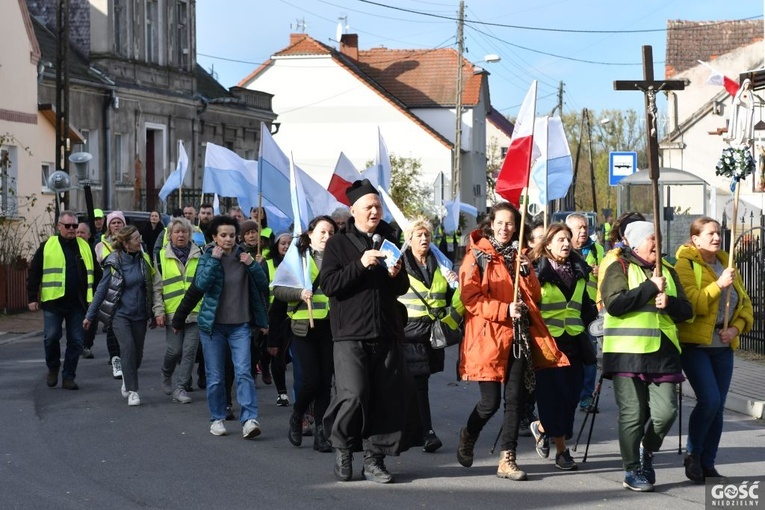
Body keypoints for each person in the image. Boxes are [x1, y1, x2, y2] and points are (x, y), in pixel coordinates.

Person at [456, 202, 566, 482]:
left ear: (516, 227)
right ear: (491, 224)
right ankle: (469, 435)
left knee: (515, 400)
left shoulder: (520, 256)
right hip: (487, 338)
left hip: (518, 336)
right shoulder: (477, 256)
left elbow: (535, 296)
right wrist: (504, 309)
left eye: (510, 224)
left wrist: (527, 272)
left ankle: (508, 458)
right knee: (489, 403)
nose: (505, 228)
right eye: (500, 223)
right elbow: (470, 300)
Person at [320, 179, 420, 484]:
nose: (375, 211)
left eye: (378, 206)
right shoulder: (338, 244)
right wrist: (361, 264)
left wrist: (396, 274)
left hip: (387, 330)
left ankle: (375, 459)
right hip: (350, 332)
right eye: (369, 207)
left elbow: (400, 288)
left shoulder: (389, 239)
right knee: (354, 394)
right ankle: (343, 447)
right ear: (354, 211)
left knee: (386, 397)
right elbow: (329, 285)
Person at [600, 221, 693, 492]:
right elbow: (615, 304)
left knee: (666, 413)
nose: (657, 243)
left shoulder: (669, 271)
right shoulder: (619, 267)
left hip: (662, 354)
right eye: (652, 238)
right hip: (627, 353)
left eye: (659, 238)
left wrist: (671, 303)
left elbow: (687, 311)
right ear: (637, 242)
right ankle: (631, 470)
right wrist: (650, 289)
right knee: (633, 414)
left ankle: (646, 449)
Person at [173, 215, 269, 439]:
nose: (228, 239)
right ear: (214, 237)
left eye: (232, 235)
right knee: (215, 376)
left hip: (240, 326)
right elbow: (201, 285)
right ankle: (217, 418)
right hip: (213, 328)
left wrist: (252, 265)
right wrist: (215, 261)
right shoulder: (208, 257)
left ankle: (249, 419)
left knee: (244, 372)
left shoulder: (245, 257)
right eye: (223, 235)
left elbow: (264, 285)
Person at [674, 217, 753, 482]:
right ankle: (693, 454)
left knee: (717, 406)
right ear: (695, 239)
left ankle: (708, 462)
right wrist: (718, 285)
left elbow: (745, 305)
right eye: (710, 234)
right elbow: (692, 303)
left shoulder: (726, 263)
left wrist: (735, 329)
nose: (717, 238)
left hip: (723, 344)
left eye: (718, 233)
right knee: (709, 400)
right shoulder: (684, 264)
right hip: (696, 344)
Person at [530, 223, 598, 471]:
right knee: (554, 398)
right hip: (547, 344)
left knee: (571, 398)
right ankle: (562, 451)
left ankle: (542, 427)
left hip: (575, 343)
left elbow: (584, 304)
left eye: (567, 239)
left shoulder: (580, 270)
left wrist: (597, 317)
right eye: (560, 239)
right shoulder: (536, 272)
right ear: (547, 244)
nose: (566, 243)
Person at [398, 218, 463, 453]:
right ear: (409, 239)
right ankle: (426, 432)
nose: (424, 239)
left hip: (432, 335)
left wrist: (455, 285)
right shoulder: (399, 264)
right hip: (407, 334)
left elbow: (447, 300)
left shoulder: (441, 264)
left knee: (416, 384)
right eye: (419, 235)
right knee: (419, 384)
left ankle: (410, 430)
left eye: (427, 235)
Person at [274, 215, 337, 453]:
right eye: (322, 232)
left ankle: (321, 432)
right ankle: (297, 415)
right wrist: (299, 294)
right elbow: (278, 290)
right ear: (310, 234)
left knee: (324, 383)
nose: (326, 237)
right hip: (303, 327)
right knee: (310, 379)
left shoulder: (336, 258)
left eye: (331, 233)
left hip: (330, 327)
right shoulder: (297, 258)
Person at [84, 225, 155, 406]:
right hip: (120, 314)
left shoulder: (143, 259)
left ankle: (127, 377)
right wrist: (90, 315)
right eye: (136, 239)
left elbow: (151, 288)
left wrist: (154, 312)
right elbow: (102, 289)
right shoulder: (113, 261)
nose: (140, 241)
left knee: (137, 355)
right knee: (128, 348)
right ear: (125, 243)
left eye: (140, 237)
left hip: (139, 314)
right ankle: (133, 391)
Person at [27, 211, 97, 390]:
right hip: (53, 302)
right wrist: (32, 297)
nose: (72, 229)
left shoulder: (84, 246)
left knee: (76, 341)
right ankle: (53, 367)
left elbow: (96, 273)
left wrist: (96, 297)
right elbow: (34, 272)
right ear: (59, 226)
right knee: (51, 337)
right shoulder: (47, 246)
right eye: (68, 226)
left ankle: (68, 376)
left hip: (78, 304)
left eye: (75, 226)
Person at [153, 217, 202, 404]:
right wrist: (159, 311)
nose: (181, 235)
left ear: (190, 234)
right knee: (174, 351)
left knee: (189, 351)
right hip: (173, 313)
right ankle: (166, 373)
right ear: (170, 235)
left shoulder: (200, 253)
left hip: (195, 311)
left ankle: (180, 388)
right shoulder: (161, 257)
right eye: (177, 232)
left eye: (184, 232)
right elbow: (157, 288)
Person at [566, 213, 604, 411]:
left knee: (589, 355)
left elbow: (608, 277)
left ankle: (586, 397)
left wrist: (601, 273)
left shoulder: (597, 249)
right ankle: (569, 392)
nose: (583, 231)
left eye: (585, 227)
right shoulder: (562, 248)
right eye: (578, 228)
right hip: (566, 312)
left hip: (589, 312)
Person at [95, 211, 127, 379]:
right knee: (111, 327)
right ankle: (115, 360)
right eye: (113, 223)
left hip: (129, 292)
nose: (116, 225)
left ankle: (126, 358)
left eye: (119, 222)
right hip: (110, 292)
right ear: (108, 226)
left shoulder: (134, 242)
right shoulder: (101, 246)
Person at [264, 232, 294, 406]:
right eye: (283, 243)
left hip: (296, 317)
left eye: (290, 243)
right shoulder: (267, 265)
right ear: (277, 246)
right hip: (275, 316)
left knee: (289, 357)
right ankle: (281, 392)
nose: (287, 246)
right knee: (277, 355)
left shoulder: (302, 264)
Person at [76, 222, 98, 360]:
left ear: (89, 235)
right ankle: (78, 344)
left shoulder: (91, 250)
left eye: (82, 233)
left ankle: (86, 345)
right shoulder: (70, 249)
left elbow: (97, 273)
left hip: (90, 294)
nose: (79, 235)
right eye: (77, 232)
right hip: (74, 294)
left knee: (91, 321)